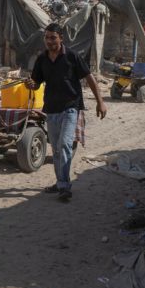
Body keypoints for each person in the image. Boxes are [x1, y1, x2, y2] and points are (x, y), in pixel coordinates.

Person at [25, 23, 107, 202]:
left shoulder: (72, 56)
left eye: (53, 37)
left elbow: (89, 78)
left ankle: (64, 187)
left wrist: (100, 102)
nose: (49, 41)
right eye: (47, 38)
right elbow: (36, 82)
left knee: (64, 145)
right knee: (55, 150)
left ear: (61, 38)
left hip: (71, 107)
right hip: (51, 110)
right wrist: (31, 84)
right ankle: (61, 181)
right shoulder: (42, 59)